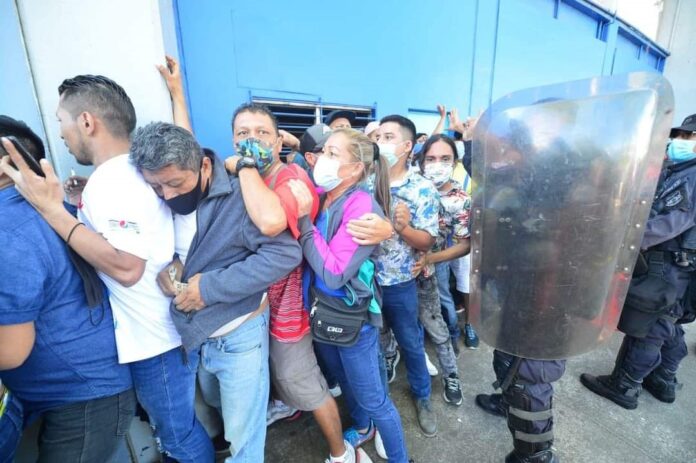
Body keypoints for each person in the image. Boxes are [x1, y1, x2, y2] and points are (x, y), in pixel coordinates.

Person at [4, 75, 214, 462]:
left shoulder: (115, 181)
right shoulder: (129, 174)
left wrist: (53, 210)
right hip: (158, 337)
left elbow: (127, 268)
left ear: (87, 121)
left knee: (177, 436)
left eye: (62, 121)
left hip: (157, 342)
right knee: (175, 432)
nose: (61, 134)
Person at [129, 121, 302, 462]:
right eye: (156, 186)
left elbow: (285, 254)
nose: (167, 196)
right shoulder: (165, 201)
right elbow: (190, 251)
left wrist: (209, 287)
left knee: (244, 439)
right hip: (199, 337)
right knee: (220, 410)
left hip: (239, 336)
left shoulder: (240, 198)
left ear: (204, 166)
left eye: (175, 183)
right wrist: (175, 270)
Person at [222, 103, 360, 463]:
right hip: (255, 304)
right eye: (243, 133)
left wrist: (241, 165)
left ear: (278, 141)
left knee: (300, 378)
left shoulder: (292, 179)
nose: (252, 140)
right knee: (272, 372)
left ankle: (341, 452)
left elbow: (270, 222)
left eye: (262, 133)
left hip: (289, 306)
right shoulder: (245, 177)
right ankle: (286, 405)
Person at [0, 116, 134, 462]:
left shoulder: (8, 229)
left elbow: (12, 351)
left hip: (82, 395)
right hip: (86, 384)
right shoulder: (50, 209)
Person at [288, 128, 410, 462]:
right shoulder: (323, 194)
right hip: (321, 312)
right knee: (344, 379)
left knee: (375, 400)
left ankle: (399, 456)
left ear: (356, 168)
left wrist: (304, 222)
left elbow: (334, 273)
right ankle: (363, 426)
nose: (321, 160)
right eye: (323, 151)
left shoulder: (361, 206)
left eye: (332, 154)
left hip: (351, 319)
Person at [580, 134, 696, 409]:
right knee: (669, 322)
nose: (679, 141)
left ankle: (625, 385)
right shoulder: (682, 168)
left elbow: (669, 223)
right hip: (679, 265)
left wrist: (626, 241)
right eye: (680, 135)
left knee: (649, 327)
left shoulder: (692, 175)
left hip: (667, 263)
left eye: (689, 136)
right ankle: (663, 378)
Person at [374, 114, 440, 437]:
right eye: (378, 137)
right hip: (366, 281)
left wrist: (404, 228)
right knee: (372, 343)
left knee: (411, 342)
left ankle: (422, 396)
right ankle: (377, 400)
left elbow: (427, 241)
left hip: (400, 283)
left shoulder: (422, 189)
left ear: (407, 146)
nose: (380, 143)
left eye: (388, 137)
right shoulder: (366, 180)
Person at [411, 134, 471, 405]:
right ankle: (392, 360)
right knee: (393, 326)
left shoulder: (459, 200)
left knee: (436, 326)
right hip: (394, 274)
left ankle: (451, 375)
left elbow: (465, 245)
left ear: (454, 162)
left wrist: (430, 259)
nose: (437, 165)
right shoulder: (410, 185)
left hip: (426, 274)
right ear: (421, 161)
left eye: (445, 159)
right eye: (431, 158)